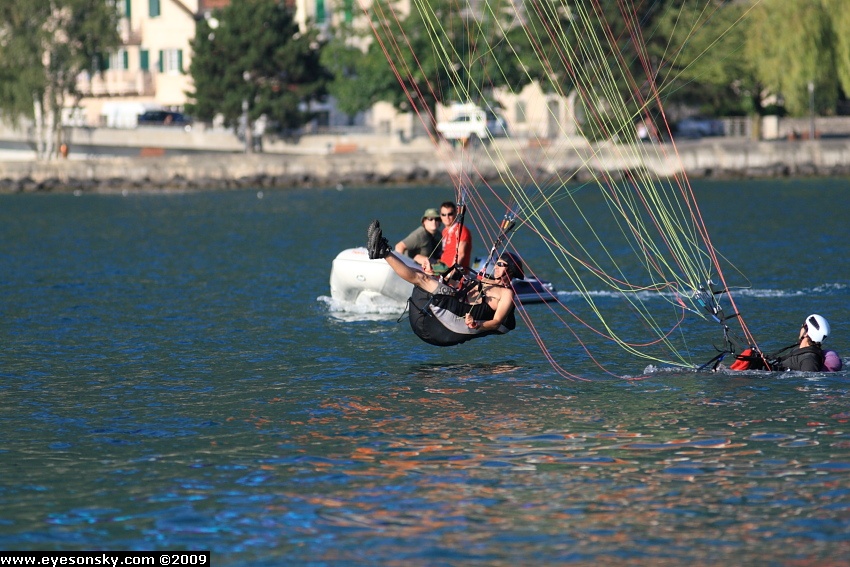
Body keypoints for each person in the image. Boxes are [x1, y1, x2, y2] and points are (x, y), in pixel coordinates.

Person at [367, 219, 518, 346]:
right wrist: (435, 273)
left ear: (510, 270)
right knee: (423, 275)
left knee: (422, 279)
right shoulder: (486, 281)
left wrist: (477, 324)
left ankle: (383, 252)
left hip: (450, 326)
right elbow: (456, 284)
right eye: (496, 263)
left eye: (500, 264)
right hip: (449, 311)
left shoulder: (506, 293)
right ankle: (381, 250)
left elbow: (497, 322)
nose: (496, 266)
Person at [394, 208, 442, 273]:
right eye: (430, 219)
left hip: (429, 267)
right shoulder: (419, 234)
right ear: (424, 221)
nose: (434, 222)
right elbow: (399, 246)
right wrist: (400, 269)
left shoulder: (439, 235)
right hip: (413, 268)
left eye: (437, 219)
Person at [436, 201, 473, 273]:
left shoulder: (461, 230)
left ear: (455, 214)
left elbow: (461, 254)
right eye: (443, 214)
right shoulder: (444, 231)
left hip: (453, 272)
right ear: (440, 216)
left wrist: (451, 273)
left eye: (450, 214)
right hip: (442, 267)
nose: (447, 217)